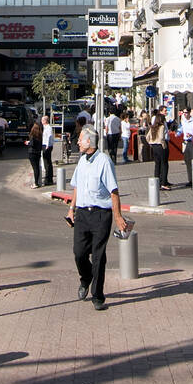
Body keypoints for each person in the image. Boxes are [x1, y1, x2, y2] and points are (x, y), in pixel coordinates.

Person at [66, 124, 128, 309]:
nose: (77, 142)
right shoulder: (82, 161)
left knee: (99, 255)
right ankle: (86, 278)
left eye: (80, 139)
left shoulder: (104, 161)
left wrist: (118, 216)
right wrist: (71, 208)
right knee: (79, 253)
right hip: (83, 214)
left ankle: (98, 295)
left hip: (101, 214)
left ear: (89, 141)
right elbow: (76, 186)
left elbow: (113, 191)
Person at [148, 110, 171, 190]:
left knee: (157, 164)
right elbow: (162, 137)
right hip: (161, 146)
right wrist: (163, 143)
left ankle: (156, 181)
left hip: (154, 146)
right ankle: (163, 183)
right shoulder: (162, 127)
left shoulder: (153, 127)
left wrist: (151, 142)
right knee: (164, 164)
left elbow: (147, 137)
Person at [179, 107, 193, 188]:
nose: (184, 114)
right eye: (183, 113)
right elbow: (180, 130)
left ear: (189, 113)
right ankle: (190, 180)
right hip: (185, 142)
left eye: (186, 112)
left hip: (192, 142)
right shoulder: (183, 121)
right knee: (187, 162)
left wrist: (192, 135)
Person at [25, 118, 43, 187]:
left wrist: (27, 143)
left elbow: (32, 144)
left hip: (32, 153)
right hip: (38, 152)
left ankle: (36, 183)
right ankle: (37, 182)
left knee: (35, 168)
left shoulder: (32, 136)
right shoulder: (40, 135)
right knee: (37, 168)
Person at [40, 114, 55, 186]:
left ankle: (49, 179)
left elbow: (49, 137)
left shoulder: (48, 128)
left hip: (47, 146)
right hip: (45, 145)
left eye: (42, 120)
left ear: (46, 121)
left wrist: (47, 145)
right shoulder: (45, 127)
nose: (41, 121)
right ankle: (48, 178)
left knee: (47, 163)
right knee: (46, 162)